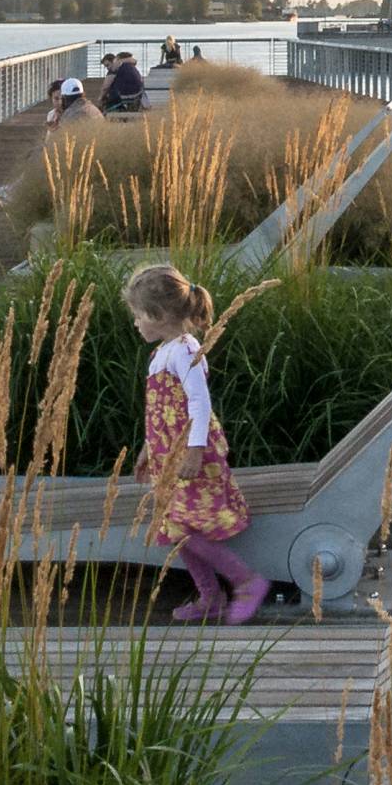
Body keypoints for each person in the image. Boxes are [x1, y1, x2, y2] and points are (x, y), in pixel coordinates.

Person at [124, 264, 268, 624]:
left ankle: (245, 581)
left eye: (138, 316)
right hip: (168, 456)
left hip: (191, 456)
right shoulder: (163, 351)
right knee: (175, 527)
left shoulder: (185, 351)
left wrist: (194, 449)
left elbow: (199, 403)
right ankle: (210, 597)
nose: (136, 323)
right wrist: (147, 447)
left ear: (156, 315)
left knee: (186, 528)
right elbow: (160, 412)